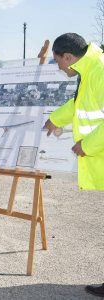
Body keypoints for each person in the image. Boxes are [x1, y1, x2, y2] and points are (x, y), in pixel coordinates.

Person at [43, 33, 104, 298]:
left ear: (68, 57)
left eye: (58, 62)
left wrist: (87, 145)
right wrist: (56, 119)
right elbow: (81, 106)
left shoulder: (100, 70)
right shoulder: (89, 69)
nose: (58, 67)